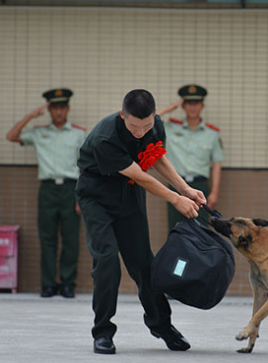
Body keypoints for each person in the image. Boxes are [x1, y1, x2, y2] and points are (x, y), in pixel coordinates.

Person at [75, 89, 206, 355]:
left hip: (129, 194)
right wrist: (174, 198)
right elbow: (141, 175)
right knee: (107, 259)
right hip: (97, 196)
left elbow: (154, 157)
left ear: (154, 116)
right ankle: (102, 332)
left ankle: (162, 325)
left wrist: (185, 189)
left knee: (145, 264)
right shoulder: (106, 137)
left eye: (146, 125)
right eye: (134, 126)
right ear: (123, 115)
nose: (140, 131)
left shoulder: (154, 125)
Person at [6, 88, 86, 298]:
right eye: (54, 108)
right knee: (47, 238)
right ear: (49, 110)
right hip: (48, 189)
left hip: (71, 188)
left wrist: (81, 196)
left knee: (70, 239)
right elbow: (11, 136)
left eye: (62, 107)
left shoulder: (78, 134)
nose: (59, 112)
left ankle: (68, 283)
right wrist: (31, 116)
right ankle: (49, 284)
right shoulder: (39, 132)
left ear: (67, 108)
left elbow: (86, 167)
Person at [157, 84, 225, 230]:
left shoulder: (212, 133)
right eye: (188, 103)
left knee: (199, 232)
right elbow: (149, 120)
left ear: (202, 106)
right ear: (183, 106)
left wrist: (214, 192)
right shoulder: (170, 128)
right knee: (175, 230)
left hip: (200, 187)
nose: (192, 108)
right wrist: (170, 108)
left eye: (196, 103)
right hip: (176, 185)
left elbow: (217, 164)